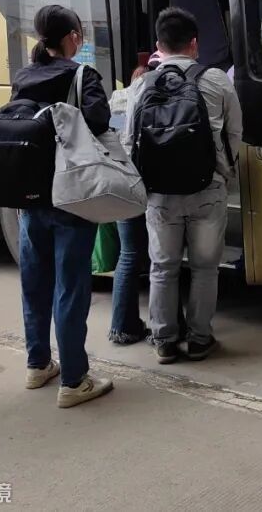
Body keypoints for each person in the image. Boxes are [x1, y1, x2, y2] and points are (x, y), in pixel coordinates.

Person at [123, 8, 243, 364]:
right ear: (194, 44)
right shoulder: (216, 79)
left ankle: (164, 340)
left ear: (158, 45)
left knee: (163, 267)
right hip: (207, 189)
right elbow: (234, 132)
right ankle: (200, 339)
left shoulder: (141, 85)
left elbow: (129, 142)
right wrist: (224, 171)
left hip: (159, 194)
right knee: (205, 268)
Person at [10, 5, 113, 408]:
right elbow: (100, 123)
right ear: (72, 37)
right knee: (70, 287)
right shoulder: (81, 75)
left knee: (35, 284)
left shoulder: (24, 76)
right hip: (71, 196)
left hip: (30, 199)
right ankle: (74, 380)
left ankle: (38, 365)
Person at [108, 65, 153, 346]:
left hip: (120, 183)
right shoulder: (151, 99)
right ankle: (165, 328)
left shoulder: (117, 100)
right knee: (160, 256)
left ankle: (122, 327)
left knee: (128, 254)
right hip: (146, 184)